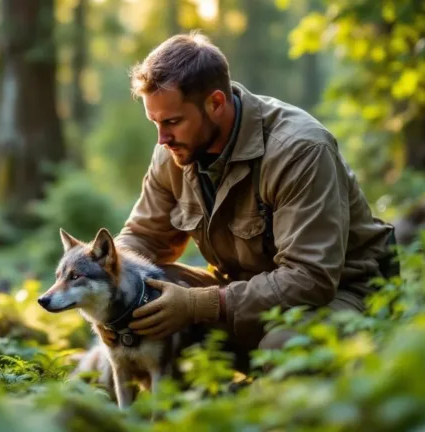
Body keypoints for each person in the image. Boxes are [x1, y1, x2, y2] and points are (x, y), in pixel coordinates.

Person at [94, 31, 397, 371]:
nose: (162, 138)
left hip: (341, 294)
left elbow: (310, 278)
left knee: (282, 346)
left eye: (173, 122)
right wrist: (110, 287)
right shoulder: (173, 151)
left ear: (216, 103)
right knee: (143, 289)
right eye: (155, 122)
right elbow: (144, 240)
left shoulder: (299, 150)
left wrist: (198, 305)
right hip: (241, 295)